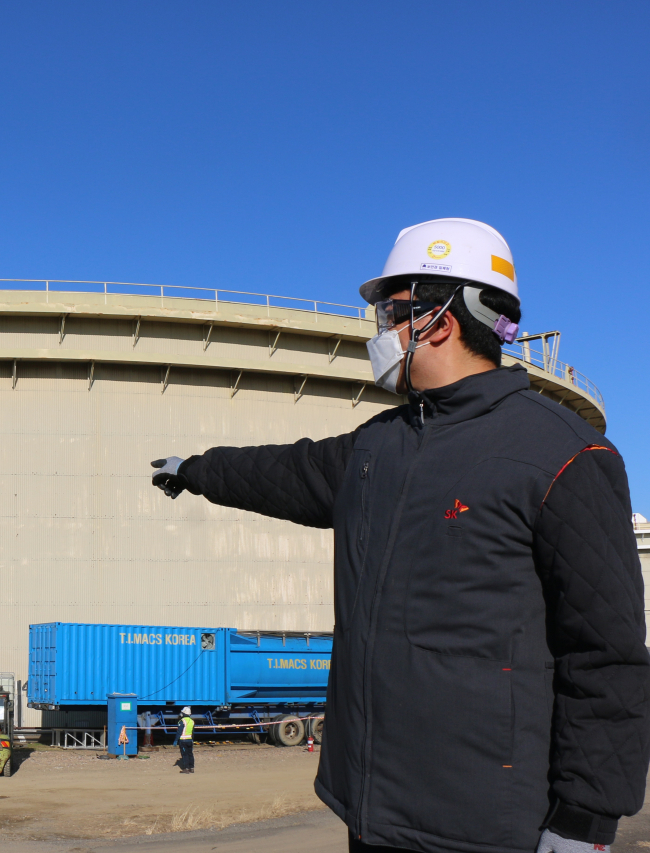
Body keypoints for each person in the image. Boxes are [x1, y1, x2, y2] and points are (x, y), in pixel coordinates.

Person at [151, 219, 650, 853]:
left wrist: (585, 821)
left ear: (440, 319)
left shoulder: (565, 455)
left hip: (488, 827)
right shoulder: (376, 450)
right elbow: (284, 470)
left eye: (391, 313)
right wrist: (197, 470)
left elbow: (605, 655)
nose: (381, 332)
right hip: (370, 810)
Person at [175, 707, 194, 774]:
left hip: (183, 741)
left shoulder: (182, 721)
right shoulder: (192, 721)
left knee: (185, 755)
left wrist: (175, 740)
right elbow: (192, 732)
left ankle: (186, 768)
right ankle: (191, 768)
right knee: (190, 754)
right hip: (190, 740)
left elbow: (179, 732)